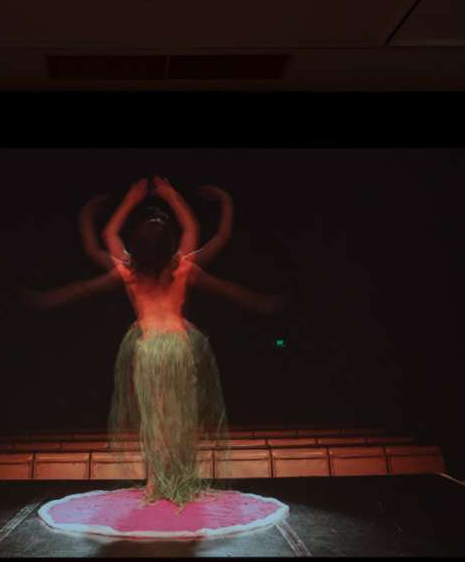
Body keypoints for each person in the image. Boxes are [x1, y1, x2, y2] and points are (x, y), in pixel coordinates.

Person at [21, 177, 283, 508]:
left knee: (156, 417)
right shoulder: (183, 267)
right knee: (179, 417)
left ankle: (156, 481)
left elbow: (101, 243)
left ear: (138, 245)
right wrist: (191, 197)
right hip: (178, 347)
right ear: (169, 242)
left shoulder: (128, 271)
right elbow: (213, 234)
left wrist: (117, 204)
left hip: (148, 350)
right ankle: (174, 476)